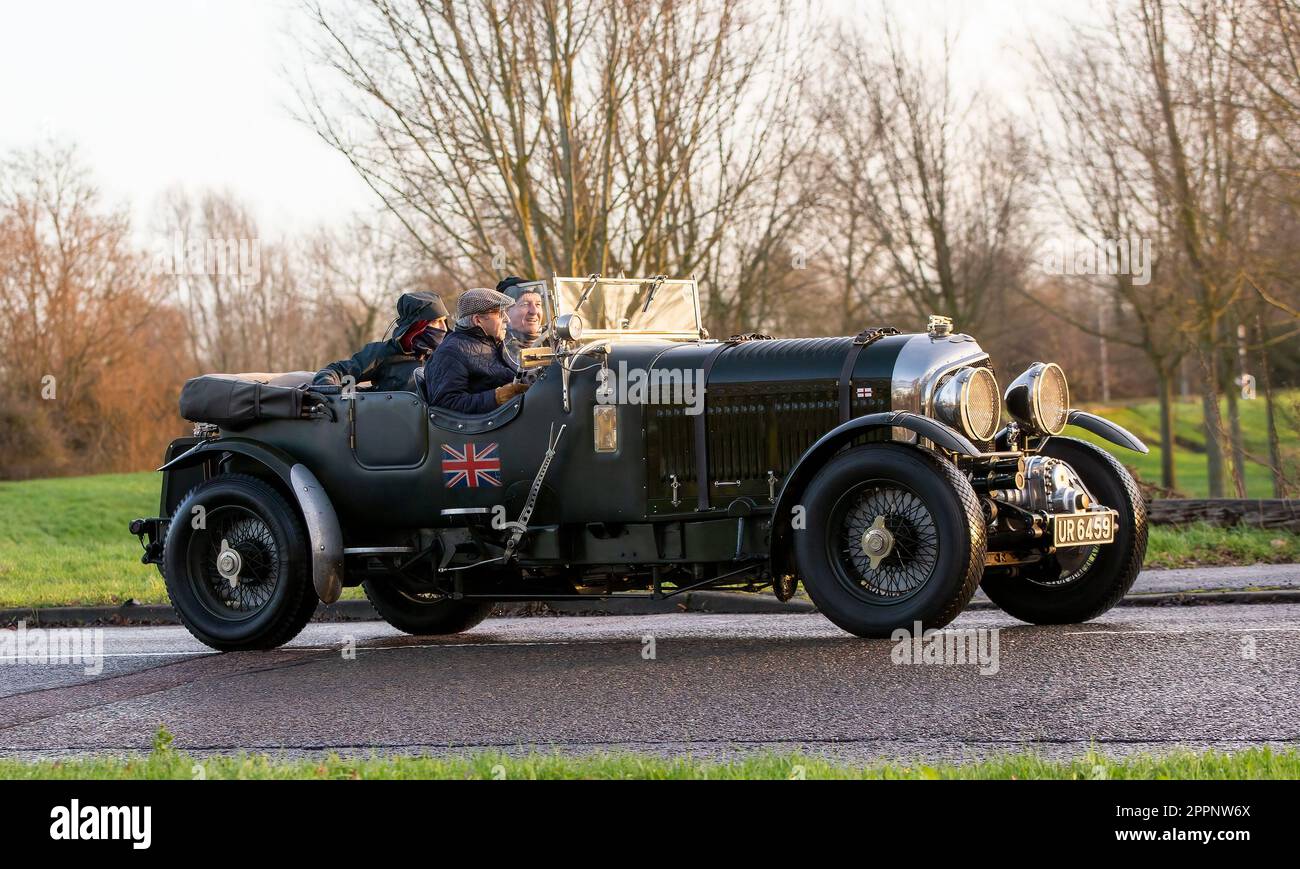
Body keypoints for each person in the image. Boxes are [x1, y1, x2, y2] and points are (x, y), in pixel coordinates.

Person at [314, 291, 449, 393]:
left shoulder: (451, 353)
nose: (444, 328)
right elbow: (338, 372)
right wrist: (329, 387)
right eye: (436, 321)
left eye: (444, 321)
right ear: (417, 326)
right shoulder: (383, 354)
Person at [424, 287, 529, 413]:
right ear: (477, 320)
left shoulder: (494, 342)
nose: (507, 319)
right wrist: (497, 397)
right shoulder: (451, 352)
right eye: (500, 313)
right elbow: (445, 404)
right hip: (489, 429)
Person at [497, 275, 546, 365]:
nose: (534, 311)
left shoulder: (556, 342)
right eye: (525, 304)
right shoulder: (493, 349)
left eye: (538, 304)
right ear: (505, 311)